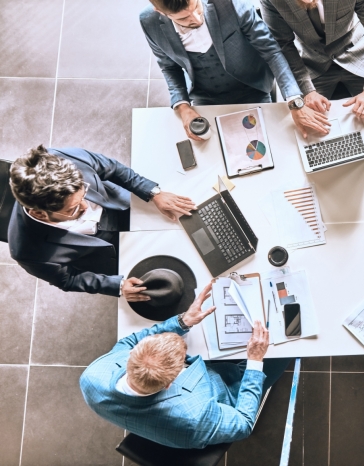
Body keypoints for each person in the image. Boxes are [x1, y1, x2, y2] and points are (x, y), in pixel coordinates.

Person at [80, 284, 291, 449]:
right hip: (229, 385)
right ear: (169, 384)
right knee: (287, 343)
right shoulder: (194, 417)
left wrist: (182, 322)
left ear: (130, 358)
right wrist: (255, 360)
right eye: (184, 360)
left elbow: (126, 342)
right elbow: (243, 424)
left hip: (151, 414)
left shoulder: (93, 376)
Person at [8, 146, 193, 300]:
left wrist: (153, 192)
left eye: (84, 192)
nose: (86, 207)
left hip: (120, 206)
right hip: (109, 253)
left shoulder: (63, 160)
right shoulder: (26, 251)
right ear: (40, 214)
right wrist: (118, 286)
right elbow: (68, 279)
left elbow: (112, 168)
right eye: (72, 209)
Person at [140, 0, 330, 139]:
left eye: (196, 8)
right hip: (204, 94)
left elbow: (271, 51)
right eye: (184, 17)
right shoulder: (148, 21)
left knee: (267, 141)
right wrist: (183, 106)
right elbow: (169, 67)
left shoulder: (229, 2)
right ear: (161, 12)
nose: (197, 19)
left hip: (253, 87)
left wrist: (294, 100)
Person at [260, 0, 364, 119]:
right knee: (301, 120)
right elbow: (283, 44)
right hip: (311, 62)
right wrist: (307, 91)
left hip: (357, 54)